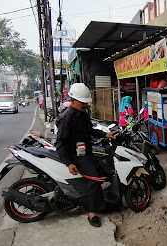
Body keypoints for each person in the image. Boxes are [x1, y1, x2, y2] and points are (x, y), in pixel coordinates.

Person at [55, 83, 113, 227]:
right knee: (95, 179)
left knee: (104, 171)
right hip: (76, 156)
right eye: (82, 102)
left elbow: (90, 130)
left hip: (87, 151)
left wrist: (106, 134)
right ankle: (92, 212)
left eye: (86, 102)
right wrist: (69, 163)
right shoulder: (66, 118)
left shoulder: (83, 114)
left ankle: (100, 201)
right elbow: (60, 143)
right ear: (73, 100)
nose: (85, 104)